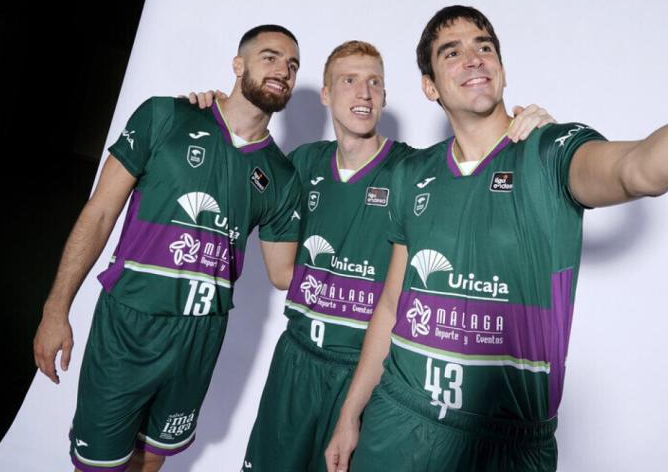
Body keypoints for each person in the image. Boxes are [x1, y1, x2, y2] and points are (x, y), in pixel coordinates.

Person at [324, 0, 668, 472]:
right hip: (398, 422)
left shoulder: (548, 149)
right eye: (451, 53)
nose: (474, 59)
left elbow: (640, 168)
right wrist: (351, 414)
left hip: (504, 443)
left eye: (485, 47)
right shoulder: (414, 173)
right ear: (430, 86)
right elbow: (391, 305)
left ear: (502, 67)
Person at [190, 40, 554, 471]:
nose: (364, 93)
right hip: (298, 359)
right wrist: (211, 111)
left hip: (370, 371)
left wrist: (527, 134)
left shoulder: (414, 171)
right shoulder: (302, 164)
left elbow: (478, 176)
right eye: (349, 81)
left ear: (384, 95)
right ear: (326, 94)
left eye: (374, 83)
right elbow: (279, 270)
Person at [32, 25, 304, 472]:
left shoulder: (281, 174)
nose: (283, 70)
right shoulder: (166, 116)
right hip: (129, 324)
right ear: (239, 65)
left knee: (151, 461)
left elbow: (283, 273)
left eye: (292, 65)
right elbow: (100, 213)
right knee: (99, 465)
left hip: (200, 336)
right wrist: (55, 308)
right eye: (270, 57)